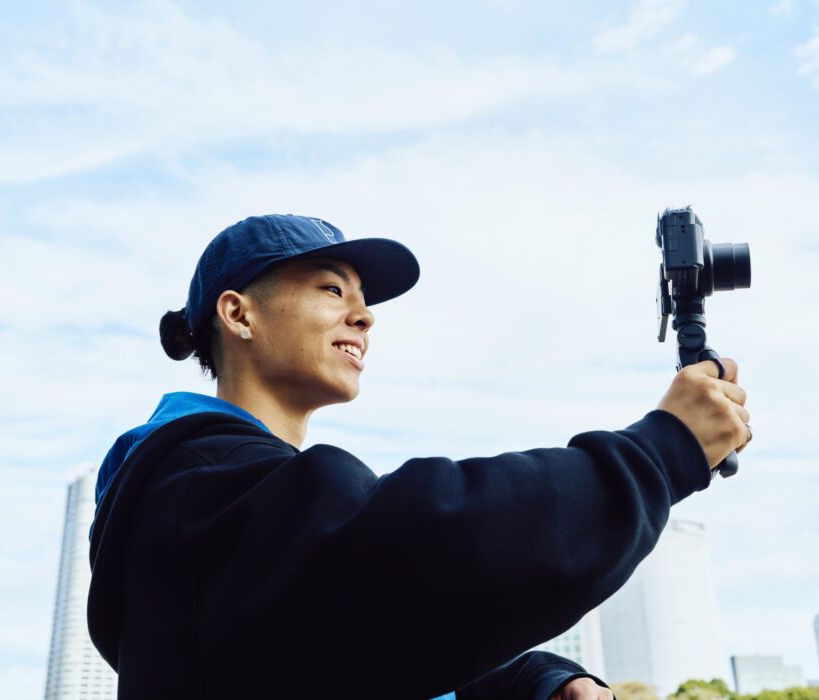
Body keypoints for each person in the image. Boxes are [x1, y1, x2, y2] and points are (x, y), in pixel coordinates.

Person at [87, 214, 752, 699]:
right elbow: (423, 550)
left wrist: (542, 682)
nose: (365, 317)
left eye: (364, 301)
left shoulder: (245, 521)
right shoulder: (197, 489)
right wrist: (660, 453)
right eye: (330, 289)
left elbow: (369, 638)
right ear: (238, 315)